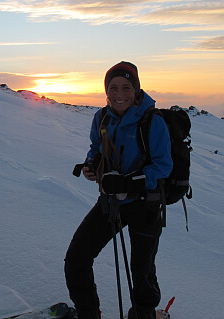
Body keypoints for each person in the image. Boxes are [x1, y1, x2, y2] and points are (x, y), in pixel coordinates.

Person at [64, 61, 173, 319]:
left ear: (136, 89)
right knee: (77, 259)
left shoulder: (152, 122)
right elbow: (96, 149)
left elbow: (163, 165)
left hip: (145, 205)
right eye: (113, 87)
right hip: (111, 202)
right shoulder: (101, 118)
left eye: (126, 87)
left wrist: (129, 182)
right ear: (106, 90)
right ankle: (88, 314)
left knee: (141, 273)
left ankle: (144, 315)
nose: (119, 94)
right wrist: (92, 165)